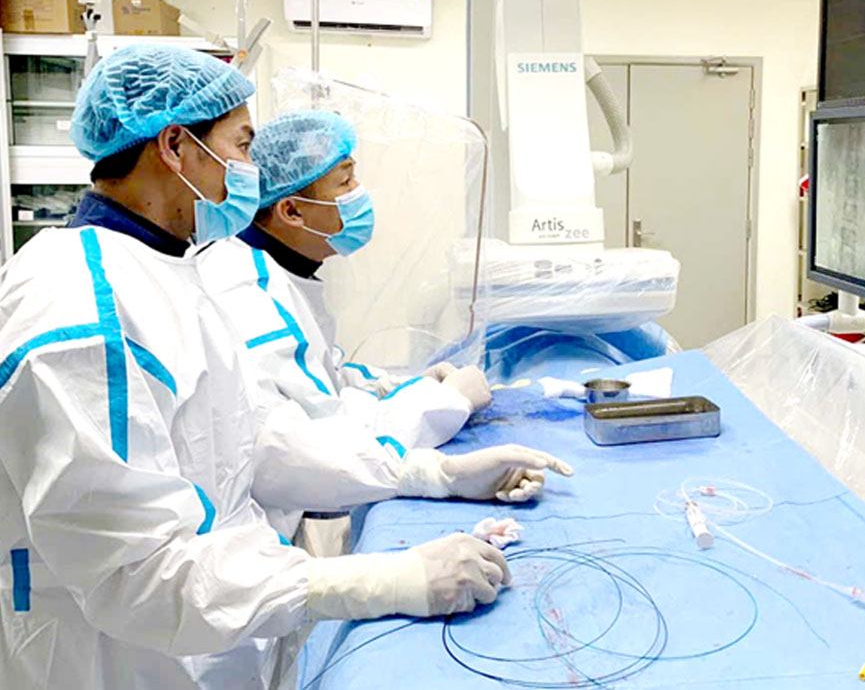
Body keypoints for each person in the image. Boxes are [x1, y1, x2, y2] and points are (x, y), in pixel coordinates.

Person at [0, 45, 571, 690]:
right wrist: (379, 580)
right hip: (118, 663)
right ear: (175, 146)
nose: (250, 170)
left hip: (216, 622)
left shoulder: (169, 268)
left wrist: (434, 473)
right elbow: (137, 573)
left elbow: (251, 441)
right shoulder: (80, 310)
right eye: (241, 146)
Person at [197, 109, 492, 550]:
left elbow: (322, 376)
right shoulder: (248, 290)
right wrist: (444, 402)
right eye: (346, 181)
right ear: (292, 210)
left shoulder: (282, 272)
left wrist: (399, 385)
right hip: (250, 545)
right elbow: (320, 445)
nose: (360, 195)